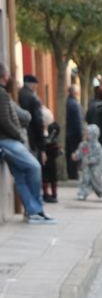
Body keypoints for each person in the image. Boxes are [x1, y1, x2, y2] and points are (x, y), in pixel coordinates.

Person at [0, 63, 56, 224]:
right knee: (34, 167)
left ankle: (32, 211)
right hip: (8, 140)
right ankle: (36, 209)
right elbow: (5, 120)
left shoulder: (6, 95)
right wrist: (18, 135)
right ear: (4, 76)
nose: (10, 78)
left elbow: (19, 115)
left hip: (7, 139)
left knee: (20, 176)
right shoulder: (3, 94)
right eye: (9, 75)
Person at [72, 124, 102, 201]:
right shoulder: (83, 144)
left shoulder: (98, 146)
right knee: (85, 180)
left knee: (96, 181)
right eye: (86, 133)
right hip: (86, 167)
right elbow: (80, 152)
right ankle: (82, 193)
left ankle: (101, 193)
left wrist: (91, 160)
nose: (86, 135)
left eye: (88, 133)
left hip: (95, 168)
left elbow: (98, 157)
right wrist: (76, 156)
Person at [65, 85, 83, 180]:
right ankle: (73, 174)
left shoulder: (68, 102)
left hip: (69, 132)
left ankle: (72, 173)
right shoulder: (74, 104)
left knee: (70, 154)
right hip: (74, 133)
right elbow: (78, 120)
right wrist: (81, 133)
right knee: (74, 154)